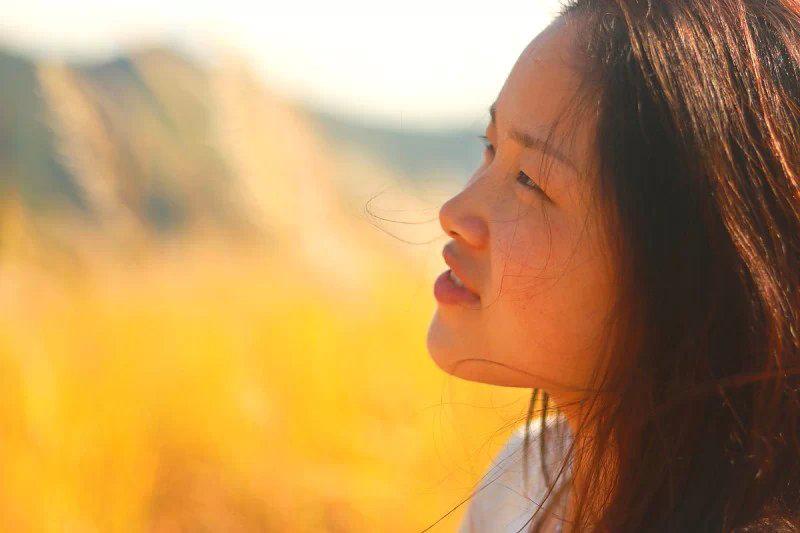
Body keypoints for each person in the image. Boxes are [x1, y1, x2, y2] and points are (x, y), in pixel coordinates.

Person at [426, 1, 800, 531]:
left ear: (686, 264)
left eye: (529, 180)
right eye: (490, 147)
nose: (453, 213)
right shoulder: (526, 481)